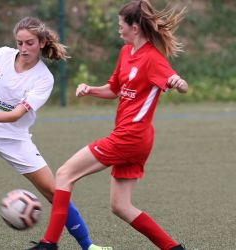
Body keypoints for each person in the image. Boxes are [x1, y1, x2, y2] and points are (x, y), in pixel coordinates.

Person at [29, 1, 189, 250]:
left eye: (120, 25)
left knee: (64, 174)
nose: (119, 30)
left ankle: (48, 244)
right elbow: (114, 89)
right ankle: (173, 249)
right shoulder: (126, 53)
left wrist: (178, 82)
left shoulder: (152, 58)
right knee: (121, 207)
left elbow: (176, 81)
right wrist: (90, 89)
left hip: (130, 137)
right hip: (134, 138)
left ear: (134, 27)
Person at [0, 17, 104, 250]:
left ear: (42, 42)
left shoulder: (44, 79)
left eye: (29, 43)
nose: (23, 49)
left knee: (54, 191)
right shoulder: (4, 54)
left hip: (15, 135)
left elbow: (15, 115)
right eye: (20, 43)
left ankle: (88, 246)